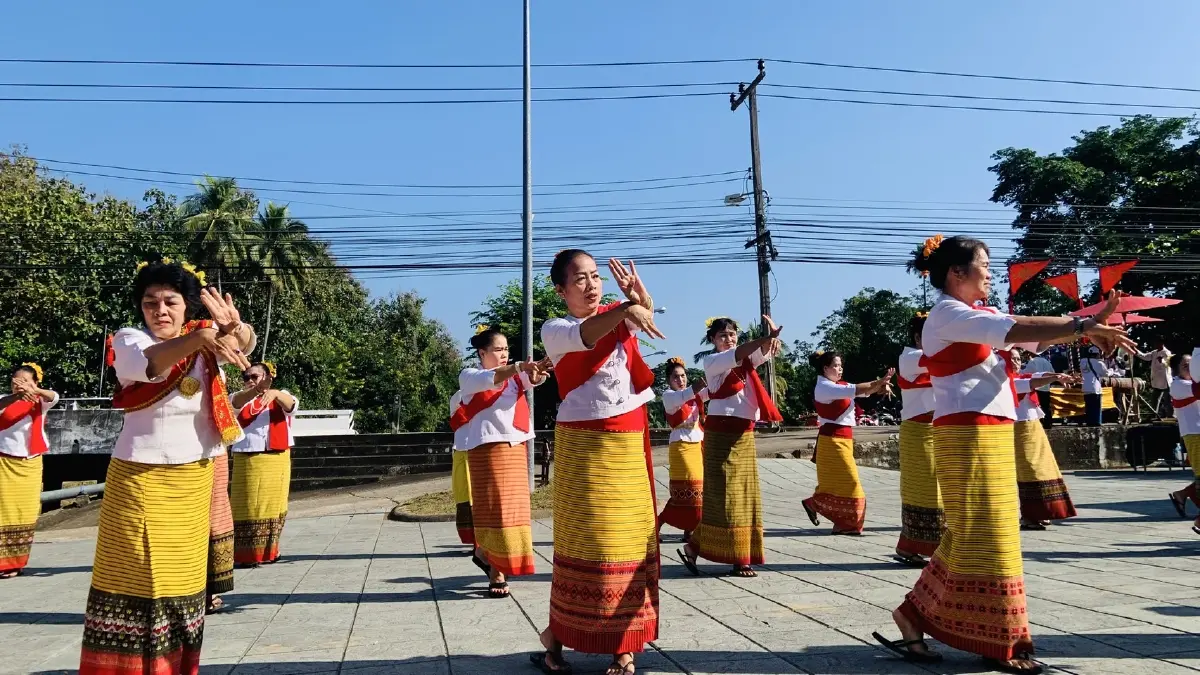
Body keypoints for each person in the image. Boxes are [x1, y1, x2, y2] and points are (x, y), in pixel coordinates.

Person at [873, 235, 1133, 675]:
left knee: (975, 532)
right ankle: (998, 640)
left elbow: (1025, 325)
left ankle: (915, 615)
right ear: (957, 272)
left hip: (990, 430)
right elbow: (1016, 331)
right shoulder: (946, 314)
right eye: (984, 265)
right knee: (988, 533)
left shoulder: (979, 313)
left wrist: (1085, 322)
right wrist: (1083, 326)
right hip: (965, 432)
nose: (990, 272)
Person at [81, 259, 254, 675]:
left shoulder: (203, 340)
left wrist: (235, 328)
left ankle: (174, 666)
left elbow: (243, 346)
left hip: (193, 478)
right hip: (140, 479)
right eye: (150, 302)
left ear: (186, 306)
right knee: (135, 577)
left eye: (170, 301)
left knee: (182, 583)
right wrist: (205, 337)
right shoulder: (130, 340)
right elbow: (150, 366)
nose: (160, 310)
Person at [533, 250, 665, 675]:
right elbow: (590, 333)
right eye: (580, 279)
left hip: (628, 441)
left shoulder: (617, 314)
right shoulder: (555, 329)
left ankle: (623, 646)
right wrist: (628, 308)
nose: (591, 285)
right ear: (560, 289)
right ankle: (556, 634)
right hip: (585, 445)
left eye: (595, 277)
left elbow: (636, 314)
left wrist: (639, 297)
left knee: (629, 542)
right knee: (590, 545)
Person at [678, 316, 783, 578]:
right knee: (724, 498)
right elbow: (743, 351)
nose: (729, 338)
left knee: (745, 497)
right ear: (712, 340)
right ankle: (729, 555)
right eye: (723, 335)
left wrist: (771, 342)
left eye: (732, 334)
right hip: (720, 432)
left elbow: (760, 354)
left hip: (744, 432)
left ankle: (729, 555)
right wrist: (764, 340)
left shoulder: (745, 363)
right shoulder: (712, 361)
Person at [451, 327, 551, 599]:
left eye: (506, 349)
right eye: (498, 350)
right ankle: (496, 569)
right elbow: (493, 379)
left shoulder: (514, 378)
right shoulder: (470, 377)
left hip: (516, 446)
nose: (504, 354)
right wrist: (520, 367)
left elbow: (531, 379)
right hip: (486, 448)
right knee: (495, 510)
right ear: (482, 353)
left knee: (515, 510)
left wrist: (537, 373)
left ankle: (486, 553)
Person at [801, 351, 893, 536]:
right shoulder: (825, 387)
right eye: (835, 365)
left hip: (843, 440)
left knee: (839, 483)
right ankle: (845, 523)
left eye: (841, 365)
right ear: (825, 368)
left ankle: (818, 506)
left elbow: (864, 391)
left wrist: (880, 387)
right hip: (832, 440)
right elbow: (858, 389)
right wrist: (878, 382)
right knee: (851, 483)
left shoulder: (839, 385)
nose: (840, 369)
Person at [230, 361, 297, 567]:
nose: (249, 380)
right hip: (248, 458)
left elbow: (291, 405)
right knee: (247, 507)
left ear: (267, 377)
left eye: (255, 377)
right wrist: (255, 392)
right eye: (246, 377)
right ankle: (245, 554)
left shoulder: (280, 395)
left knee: (274, 506)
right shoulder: (238, 398)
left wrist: (274, 393)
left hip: (276, 458)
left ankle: (270, 551)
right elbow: (236, 405)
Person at [0, 363, 59, 579]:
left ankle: (15, 563)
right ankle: (2, 563)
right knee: (3, 513)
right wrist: (16, 397)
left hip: (31, 463)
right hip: (5, 462)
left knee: (25, 513)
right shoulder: (5, 399)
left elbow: (55, 396)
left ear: (35, 382)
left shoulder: (40, 402)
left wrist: (35, 392)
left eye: (26, 381)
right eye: (17, 381)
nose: (21, 385)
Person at [893, 314, 942, 567]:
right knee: (925, 490)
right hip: (918, 431)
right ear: (917, 337)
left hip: (937, 430)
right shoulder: (909, 357)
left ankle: (924, 546)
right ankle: (915, 545)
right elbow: (945, 360)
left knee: (938, 489)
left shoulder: (931, 360)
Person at [1011, 352, 1078, 531]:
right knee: (1030, 471)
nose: (1015, 362)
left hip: (1033, 428)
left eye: (1017, 359)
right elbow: (1031, 383)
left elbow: (1037, 376)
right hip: (1019, 430)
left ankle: (1043, 512)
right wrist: (1055, 377)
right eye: (1011, 359)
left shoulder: (1021, 376)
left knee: (1043, 468)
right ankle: (1030, 515)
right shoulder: (1004, 382)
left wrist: (1057, 377)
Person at [657, 357, 708, 543]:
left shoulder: (694, 396)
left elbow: (712, 391)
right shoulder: (669, 396)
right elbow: (684, 396)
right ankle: (660, 521)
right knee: (688, 491)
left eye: (683, 376)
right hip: (681, 447)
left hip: (697, 446)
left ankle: (689, 530)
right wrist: (696, 387)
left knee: (698, 491)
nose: (681, 380)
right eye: (676, 377)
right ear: (669, 380)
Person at [1167, 353, 1200, 535]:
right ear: (1177, 370)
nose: (1190, 369)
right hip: (1195, 434)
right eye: (1185, 366)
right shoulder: (1178, 385)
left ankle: (1183, 494)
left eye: (1192, 365)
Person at [1136, 340, 1173, 418]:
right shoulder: (1154, 352)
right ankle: (1153, 416)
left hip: (1165, 380)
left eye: (1157, 343)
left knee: (1168, 400)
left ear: (1162, 343)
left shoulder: (1167, 352)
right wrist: (1135, 351)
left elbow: (1168, 363)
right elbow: (1145, 357)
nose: (1155, 344)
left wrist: (1161, 361)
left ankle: (1171, 416)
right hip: (1157, 380)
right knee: (1155, 399)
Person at [1020, 349, 1056, 428]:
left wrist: (1020, 370)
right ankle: (1048, 422)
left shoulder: (1033, 361)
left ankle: (1041, 423)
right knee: (1046, 406)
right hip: (1046, 388)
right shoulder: (1046, 361)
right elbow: (1052, 372)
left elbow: (1028, 373)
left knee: (1038, 406)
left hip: (1037, 387)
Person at [1080, 344, 1109, 426]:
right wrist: (1111, 371)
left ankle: (1089, 422)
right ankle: (1096, 422)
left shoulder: (1082, 361)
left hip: (1085, 387)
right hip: (1094, 388)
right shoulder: (1098, 363)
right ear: (1097, 354)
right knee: (1096, 407)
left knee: (1088, 407)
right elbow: (1105, 373)